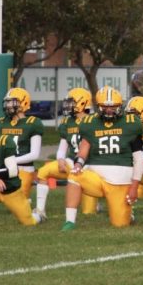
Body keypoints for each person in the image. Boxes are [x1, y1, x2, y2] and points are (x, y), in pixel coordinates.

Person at [62, 87, 143, 231]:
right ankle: (70, 222)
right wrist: (79, 164)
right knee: (74, 175)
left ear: (120, 106)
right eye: (105, 107)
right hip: (97, 177)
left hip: (120, 181)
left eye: (112, 107)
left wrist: (134, 186)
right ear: (98, 107)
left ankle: (128, 213)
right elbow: (84, 148)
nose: (109, 110)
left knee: (120, 225)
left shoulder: (132, 123)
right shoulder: (89, 123)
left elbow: (139, 159)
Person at [33, 88, 97, 219]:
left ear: (83, 103)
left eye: (72, 102)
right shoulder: (67, 121)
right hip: (72, 162)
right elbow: (63, 146)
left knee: (88, 212)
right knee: (43, 172)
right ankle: (40, 210)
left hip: (90, 166)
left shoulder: (95, 120)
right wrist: (61, 159)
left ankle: (96, 203)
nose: (68, 106)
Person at [0, 87, 44, 197]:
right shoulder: (0, 123)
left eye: (11, 102)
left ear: (23, 102)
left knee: (17, 198)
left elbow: (34, 154)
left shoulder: (33, 123)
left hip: (24, 168)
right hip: (3, 167)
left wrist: (11, 160)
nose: (8, 105)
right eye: (7, 102)